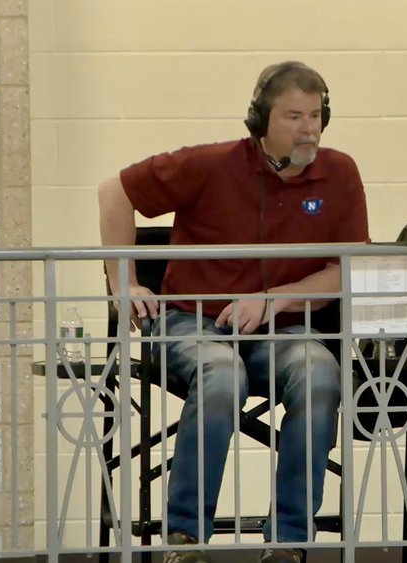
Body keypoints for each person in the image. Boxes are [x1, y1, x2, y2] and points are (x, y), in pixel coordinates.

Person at [97, 61, 369, 563]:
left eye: (315, 115)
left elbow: (345, 269)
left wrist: (276, 298)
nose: (308, 127)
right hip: (189, 319)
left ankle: (290, 539)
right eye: (293, 116)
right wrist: (124, 281)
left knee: (321, 375)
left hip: (281, 329)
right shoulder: (210, 163)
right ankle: (185, 538)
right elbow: (114, 191)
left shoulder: (341, 172)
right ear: (260, 119)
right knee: (222, 374)